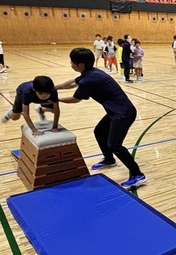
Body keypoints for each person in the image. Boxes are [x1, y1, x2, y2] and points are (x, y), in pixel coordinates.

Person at [56, 47, 146, 190]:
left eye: (72, 62)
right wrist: (53, 88)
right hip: (115, 111)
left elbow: (75, 99)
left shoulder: (89, 79)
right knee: (99, 131)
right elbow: (72, 83)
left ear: (80, 65)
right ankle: (109, 159)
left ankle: (138, 175)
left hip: (123, 114)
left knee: (114, 144)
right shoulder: (90, 73)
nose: (71, 64)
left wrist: (55, 99)